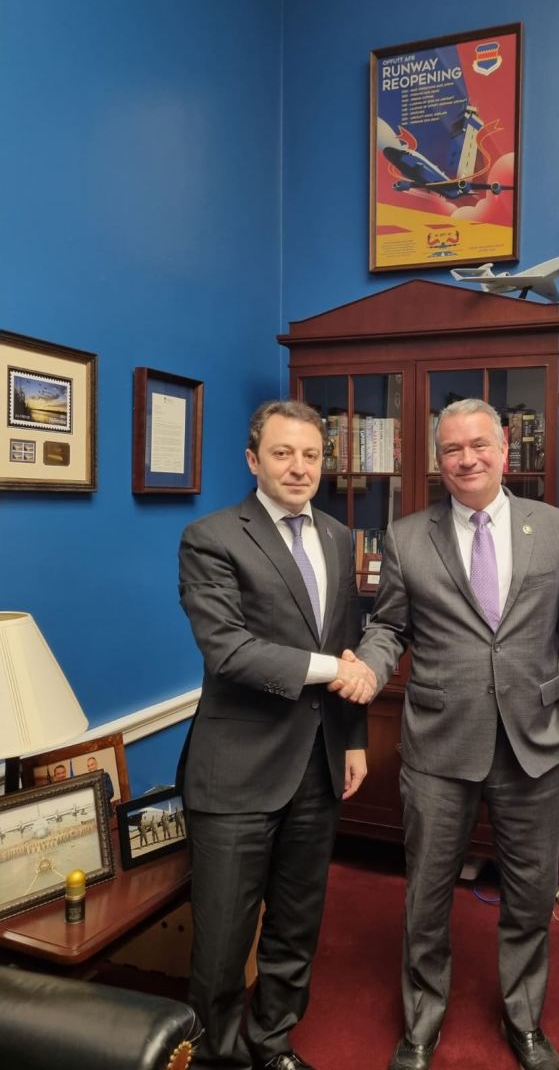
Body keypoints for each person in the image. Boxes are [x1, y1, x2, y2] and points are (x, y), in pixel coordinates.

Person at [335, 399, 559, 1070]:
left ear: (504, 449)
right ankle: (422, 1023)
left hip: (536, 743)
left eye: (479, 445)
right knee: (426, 895)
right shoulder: (406, 537)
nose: (467, 459)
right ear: (438, 461)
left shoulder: (555, 528)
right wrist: (368, 667)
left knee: (531, 895)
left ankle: (524, 1020)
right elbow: (389, 626)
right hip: (440, 744)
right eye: (452, 449)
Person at [177, 399, 374, 1070]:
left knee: (296, 925)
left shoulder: (340, 537)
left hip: (318, 764)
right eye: (283, 453)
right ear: (252, 459)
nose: (299, 467)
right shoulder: (211, 537)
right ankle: (216, 1057)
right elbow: (228, 650)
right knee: (222, 944)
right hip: (236, 771)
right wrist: (335, 670)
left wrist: (353, 739)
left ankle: (271, 1043)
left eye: (311, 455)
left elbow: (345, 639)